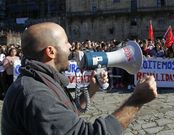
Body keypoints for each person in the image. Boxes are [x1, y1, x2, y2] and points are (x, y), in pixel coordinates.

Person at [1, 22, 157, 135]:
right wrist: (136, 100)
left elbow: (67, 113)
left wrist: (91, 89)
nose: (71, 46)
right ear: (50, 51)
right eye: (66, 42)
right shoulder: (34, 93)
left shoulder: (41, 80)